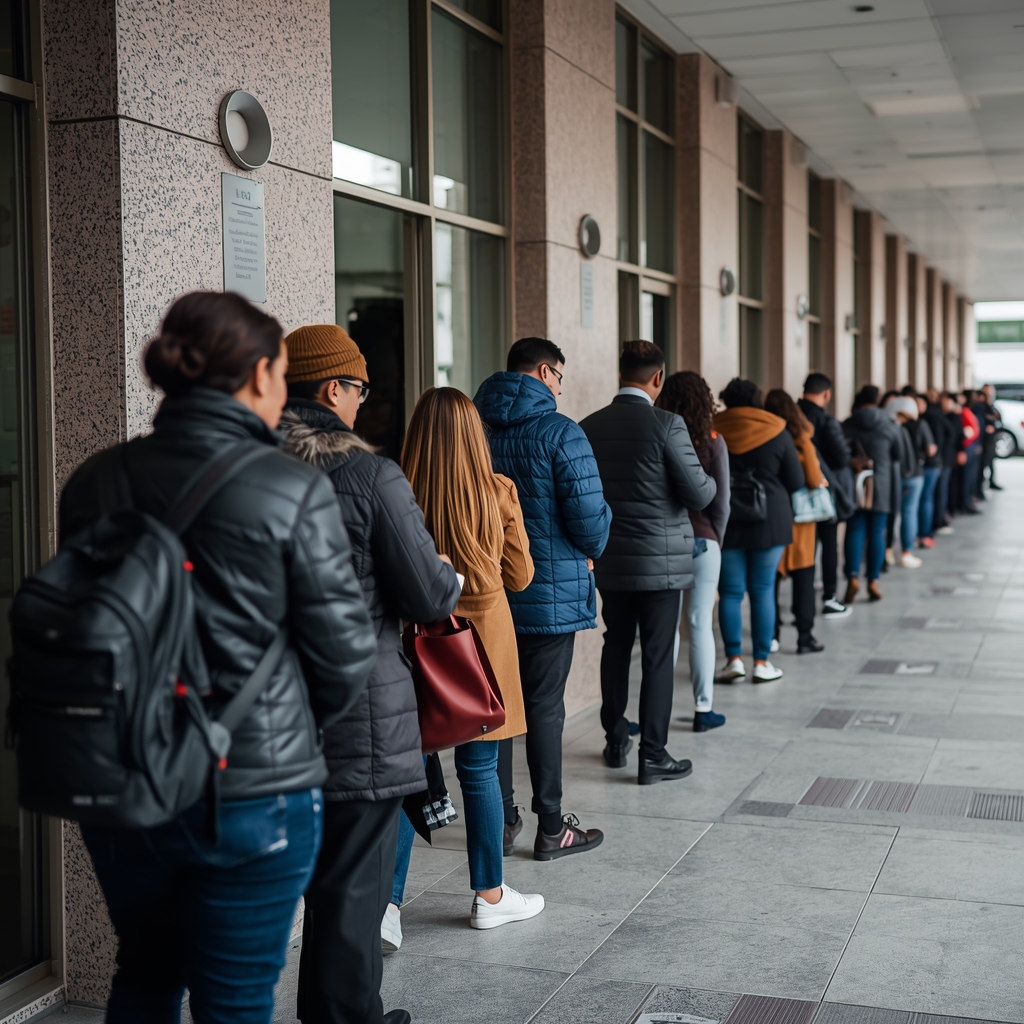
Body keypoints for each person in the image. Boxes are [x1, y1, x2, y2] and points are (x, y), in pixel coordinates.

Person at [60, 292, 378, 1024]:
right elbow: (343, 658)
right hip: (253, 788)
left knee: (141, 977)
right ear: (262, 375)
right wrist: (283, 727)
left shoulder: (96, 480)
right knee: (233, 1003)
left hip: (123, 779)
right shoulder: (291, 486)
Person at [278, 325, 462, 1024]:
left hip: (264, 709)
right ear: (332, 388)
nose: (363, 402)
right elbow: (426, 595)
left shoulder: (244, 467)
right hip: (359, 710)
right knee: (353, 884)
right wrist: (448, 573)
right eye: (358, 388)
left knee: (303, 883)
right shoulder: (369, 474)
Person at [403, 386, 548, 925]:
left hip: (416, 642)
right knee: (480, 768)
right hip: (482, 645)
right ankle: (489, 897)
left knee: (408, 769)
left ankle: (387, 907)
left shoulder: (400, 491)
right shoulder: (498, 490)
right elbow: (521, 575)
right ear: (474, 435)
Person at [474, 339, 611, 856]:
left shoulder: (474, 428)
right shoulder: (560, 432)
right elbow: (590, 524)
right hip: (548, 597)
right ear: (546, 371)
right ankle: (551, 827)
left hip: (490, 594)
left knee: (498, 708)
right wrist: (598, 540)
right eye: (559, 377)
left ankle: (502, 820)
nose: (559, 387)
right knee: (545, 710)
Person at [581, 343, 715, 784]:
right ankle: (653, 755)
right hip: (660, 566)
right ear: (658, 378)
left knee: (615, 645)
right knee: (657, 655)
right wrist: (711, 481)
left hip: (610, 561)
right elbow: (698, 493)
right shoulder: (668, 424)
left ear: (620, 373)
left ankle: (616, 738)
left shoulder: (590, 426)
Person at [714, 378, 804, 683]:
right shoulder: (777, 428)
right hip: (770, 520)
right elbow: (795, 480)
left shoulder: (713, 427)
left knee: (729, 592)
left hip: (726, 520)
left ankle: (734, 660)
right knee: (763, 589)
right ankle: (762, 663)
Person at [658, 371, 730, 732]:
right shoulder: (712, 441)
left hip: (667, 543)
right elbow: (722, 503)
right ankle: (704, 709)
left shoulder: (661, 436)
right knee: (701, 624)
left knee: (666, 628)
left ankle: (659, 710)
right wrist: (715, 539)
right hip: (704, 542)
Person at [764, 388, 827, 654]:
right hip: (801, 521)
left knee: (770, 580)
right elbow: (812, 478)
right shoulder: (802, 438)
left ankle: (772, 634)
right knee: (804, 578)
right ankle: (804, 637)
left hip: (773, 516)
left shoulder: (765, 436)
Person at [798, 373, 853, 619]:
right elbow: (842, 457)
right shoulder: (827, 421)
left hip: (796, 493)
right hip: (823, 491)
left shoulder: (791, 416)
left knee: (804, 548)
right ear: (827, 393)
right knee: (829, 544)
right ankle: (829, 597)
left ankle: (803, 603)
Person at [842, 385, 902, 602]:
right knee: (877, 533)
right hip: (881, 484)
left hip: (855, 483)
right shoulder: (889, 424)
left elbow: (839, 452)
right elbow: (898, 454)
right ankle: (873, 581)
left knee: (855, 530)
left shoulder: (848, 423)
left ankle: (852, 577)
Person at [885, 395, 926, 569]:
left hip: (900, 476)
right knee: (908, 513)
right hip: (910, 476)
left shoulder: (893, 428)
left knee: (893, 514)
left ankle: (889, 551)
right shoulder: (902, 428)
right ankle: (905, 552)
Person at [918, 389, 947, 548]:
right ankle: (923, 533)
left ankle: (925, 533)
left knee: (926, 498)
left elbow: (938, 442)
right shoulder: (918, 420)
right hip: (924, 465)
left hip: (930, 464)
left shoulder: (929, 418)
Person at [980, 384, 1003, 491]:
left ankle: (991, 482)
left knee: (991, 462)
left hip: (991, 440)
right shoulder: (981, 406)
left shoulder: (993, 405)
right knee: (983, 465)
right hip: (983, 440)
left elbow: (998, 420)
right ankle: (980, 487)